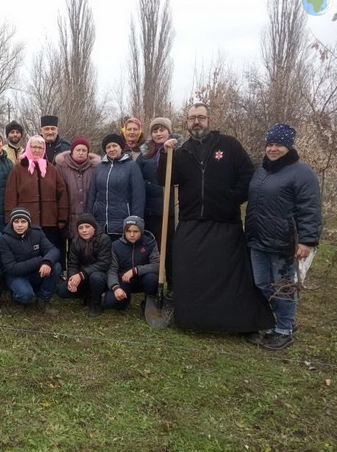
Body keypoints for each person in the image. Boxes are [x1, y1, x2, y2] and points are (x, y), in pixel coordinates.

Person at [159, 102, 274, 333]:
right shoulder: (181, 152)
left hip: (224, 222)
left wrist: (230, 200)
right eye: (192, 118)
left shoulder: (228, 146)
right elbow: (165, 179)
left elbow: (247, 176)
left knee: (228, 277)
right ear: (187, 122)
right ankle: (193, 320)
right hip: (192, 221)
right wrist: (165, 154)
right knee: (191, 272)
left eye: (201, 117)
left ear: (209, 120)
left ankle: (233, 322)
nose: (197, 122)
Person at [245, 124, 322, 350]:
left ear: (288, 146)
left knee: (283, 287)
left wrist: (307, 241)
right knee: (262, 283)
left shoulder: (302, 173)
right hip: (258, 238)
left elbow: (310, 208)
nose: (273, 148)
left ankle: (285, 328)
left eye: (278, 144)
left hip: (284, 241)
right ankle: (274, 321)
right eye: (269, 144)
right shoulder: (262, 170)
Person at [136, 117, 181, 290]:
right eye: (155, 130)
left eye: (162, 129)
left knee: (171, 249)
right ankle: (154, 284)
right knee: (153, 249)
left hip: (171, 210)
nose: (158, 133)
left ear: (169, 131)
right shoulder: (145, 155)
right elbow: (138, 178)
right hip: (152, 210)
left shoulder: (179, 151)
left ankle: (172, 283)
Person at [4, 134, 69, 250]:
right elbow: (11, 196)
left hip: (49, 223)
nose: (37, 150)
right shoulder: (18, 169)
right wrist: (10, 220)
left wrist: (62, 218)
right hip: (26, 224)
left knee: (49, 254)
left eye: (40, 148)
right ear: (29, 147)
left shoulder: (52, 170)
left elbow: (62, 194)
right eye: (34, 147)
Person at [0, 207, 61, 314]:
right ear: (11, 223)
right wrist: (40, 260)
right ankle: (17, 298)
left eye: (23, 221)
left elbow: (53, 250)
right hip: (16, 276)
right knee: (26, 295)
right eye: (16, 221)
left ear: (29, 222)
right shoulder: (4, 239)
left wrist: (46, 262)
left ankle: (43, 299)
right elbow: (12, 268)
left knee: (56, 266)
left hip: (35, 272)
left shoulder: (37, 233)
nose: (19, 225)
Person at [88, 133, 145, 241]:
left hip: (122, 223)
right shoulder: (99, 168)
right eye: (108, 147)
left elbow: (138, 195)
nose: (111, 149)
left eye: (114, 146)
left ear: (121, 147)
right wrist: (90, 218)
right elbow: (92, 194)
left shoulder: (131, 166)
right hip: (101, 224)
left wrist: (136, 221)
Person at [56, 213, 112, 317]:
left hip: (101, 275)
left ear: (94, 228)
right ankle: (88, 294)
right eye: (81, 228)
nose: (84, 230)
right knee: (62, 291)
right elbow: (72, 263)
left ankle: (95, 304)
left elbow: (103, 263)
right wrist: (72, 278)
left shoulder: (104, 239)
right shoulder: (76, 242)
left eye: (87, 227)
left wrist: (81, 275)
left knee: (96, 277)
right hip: (82, 276)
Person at [106, 216, 159, 313]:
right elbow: (112, 270)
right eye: (128, 231)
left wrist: (135, 270)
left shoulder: (150, 243)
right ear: (124, 231)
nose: (132, 234)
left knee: (152, 278)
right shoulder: (115, 246)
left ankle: (149, 303)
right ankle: (125, 299)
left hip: (143, 279)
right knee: (110, 302)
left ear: (141, 231)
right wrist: (116, 287)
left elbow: (157, 266)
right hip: (124, 280)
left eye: (136, 231)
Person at [55, 136, 101, 240]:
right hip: (67, 217)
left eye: (84, 150)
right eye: (78, 150)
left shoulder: (95, 168)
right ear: (72, 151)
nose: (81, 153)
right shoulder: (61, 167)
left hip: (89, 216)